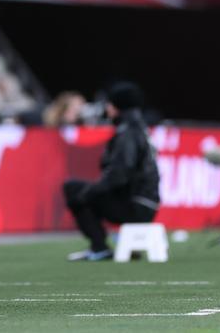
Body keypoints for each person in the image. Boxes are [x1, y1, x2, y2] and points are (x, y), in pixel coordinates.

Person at [62, 81, 160, 261]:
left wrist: (88, 193)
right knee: (83, 191)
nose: (107, 107)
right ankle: (117, 245)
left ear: (117, 106)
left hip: (135, 205)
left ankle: (99, 247)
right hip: (145, 203)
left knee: (74, 190)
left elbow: (119, 175)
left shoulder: (127, 131)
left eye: (110, 103)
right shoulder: (138, 127)